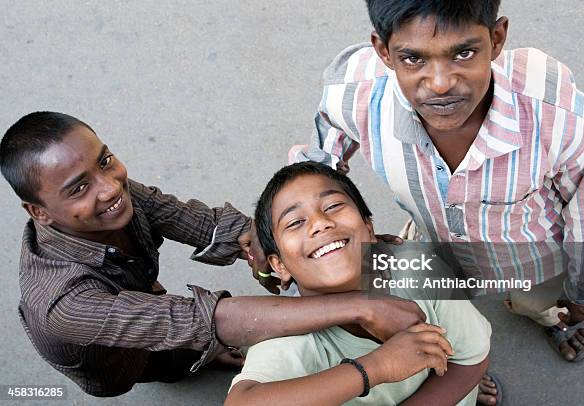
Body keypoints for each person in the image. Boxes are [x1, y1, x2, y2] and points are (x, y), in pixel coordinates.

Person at [290, 1, 584, 404]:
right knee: (431, 321)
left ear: (496, 39)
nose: (440, 83)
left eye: (463, 53)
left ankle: (547, 317)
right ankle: (460, 365)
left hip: (530, 256)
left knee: (541, 300)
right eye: (412, 58)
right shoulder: (355, 92)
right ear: (383, 51)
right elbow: (326, 144)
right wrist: (285, 209)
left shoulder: (558, 117)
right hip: (429, 244)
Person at [0, 111, 428, 397]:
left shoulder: (116, 196)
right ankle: (191, 361)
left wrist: (259, 240)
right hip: (109, 361)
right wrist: (365, 315)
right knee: (164, 365)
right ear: (39, 212)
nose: (110, 186)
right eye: (79, 187)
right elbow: (201, 322)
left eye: (106, 160)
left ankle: (195, 356)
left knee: (185, 343)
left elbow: (196, 221)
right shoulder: (62, 303)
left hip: (143, 297)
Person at [226, 161, 491, 405]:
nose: (320, 224)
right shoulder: (289, 338)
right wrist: (376, 367)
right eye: (295, 222)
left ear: (369, 228)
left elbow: (470, 360)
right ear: (279, 266)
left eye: (332, 206)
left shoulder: (418, 267)